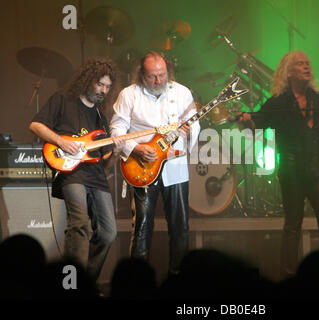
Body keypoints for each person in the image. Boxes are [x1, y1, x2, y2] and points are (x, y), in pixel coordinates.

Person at [239, 51, 319, 277]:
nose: (307, 66)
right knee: (293, 224)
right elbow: (256, 125)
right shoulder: (277, 102)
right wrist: (245, 120)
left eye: (308, 63)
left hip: (317, 168)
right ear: (289, 71)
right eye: (300, 64)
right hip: (291, 169)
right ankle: (288, 276)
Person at [29, 58, 125, 281]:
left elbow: (106, 164)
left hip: (97, 177)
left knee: (108, 233)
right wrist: (62, 142)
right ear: (88, 80)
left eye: (108, 87)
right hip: (71, 173)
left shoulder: (101, 117)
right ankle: (70, 285)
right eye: (100, 84)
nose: (103, 90)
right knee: (80, 224)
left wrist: (117, 152)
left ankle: (86, 281)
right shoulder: (64, 100)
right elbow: (36, 125)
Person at [110, 51, 200, 275]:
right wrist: (136, 149)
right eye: (152, 76)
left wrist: (188, 133)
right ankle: (136, 283)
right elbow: (117, 129)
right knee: (141, 227)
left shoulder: (182, 92)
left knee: (180, 227)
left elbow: (194, 124)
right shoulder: (129, 94)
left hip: (175, 166)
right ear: (142, 75)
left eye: (162, 75)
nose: (158, 81)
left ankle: (177, 281)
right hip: (142, 165)